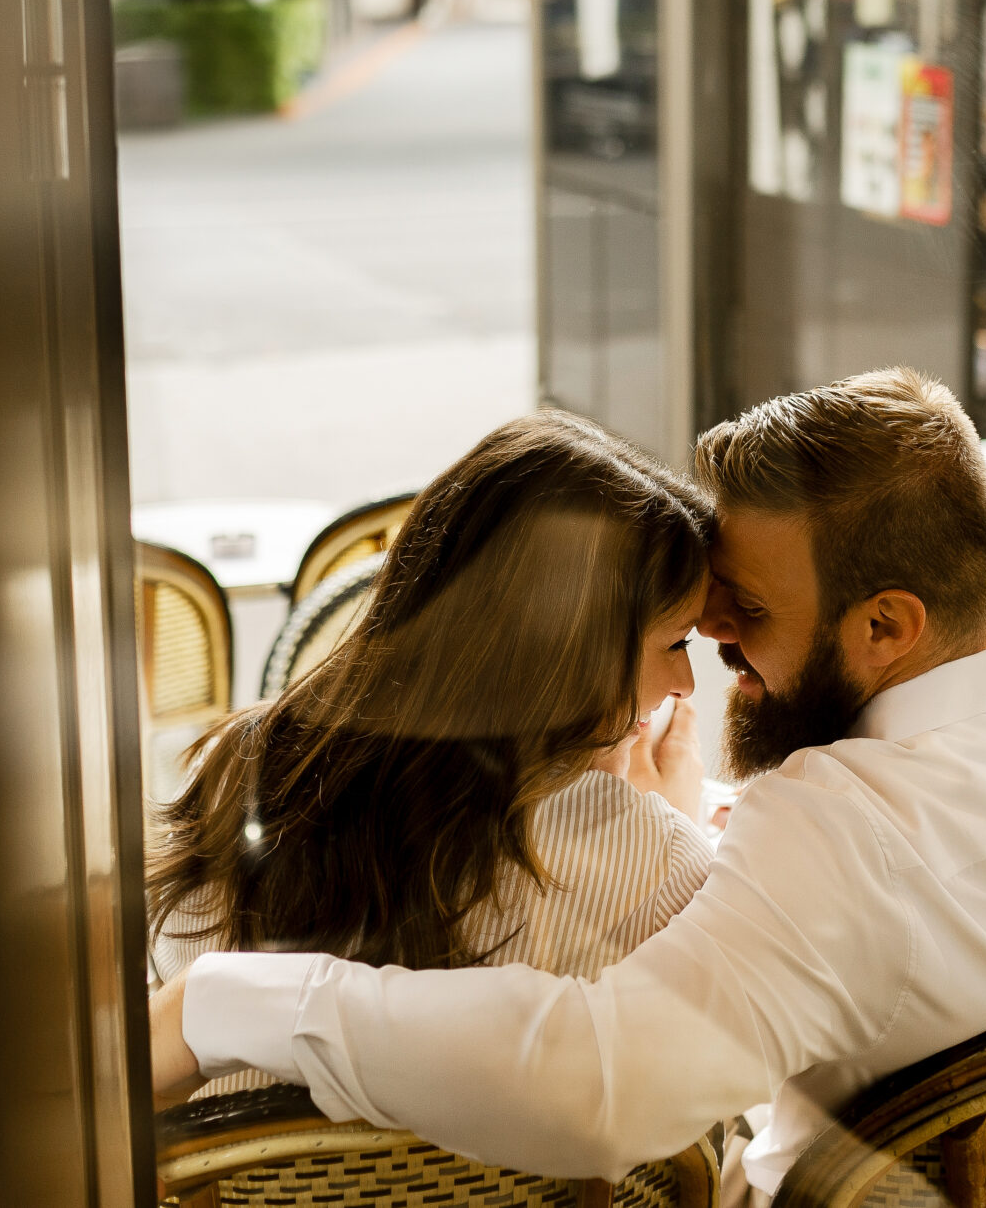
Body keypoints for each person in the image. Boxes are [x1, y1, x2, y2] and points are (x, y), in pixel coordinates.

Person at [149, 369, 986, 1202]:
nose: (717, 642)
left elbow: (592, 1085)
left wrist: (244, 1001)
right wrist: (679, 838)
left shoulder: (840, 831)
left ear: (886, 625)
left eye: (750, 613)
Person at [148, 411, 718, 1097]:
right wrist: (666, 824)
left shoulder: (242, 771)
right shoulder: (651, 861)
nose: (686, 682)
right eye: (678, 641)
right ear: (576, 652)